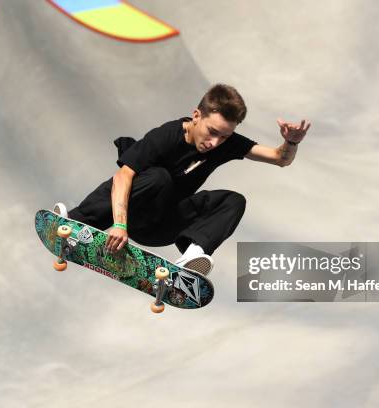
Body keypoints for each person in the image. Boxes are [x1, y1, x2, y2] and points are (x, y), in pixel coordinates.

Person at [54, 84, 311, 275]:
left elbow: (280, 158)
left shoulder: (225, 143)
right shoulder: (166, 135)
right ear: (196, 115)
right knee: (158, 178)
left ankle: (193, 255)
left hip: (164, 226)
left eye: (224, 136)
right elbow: (124, 177)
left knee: (234, 200)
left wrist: (291, 142)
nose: (215, 143)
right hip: (134, 213)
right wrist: (120, 225)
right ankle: (77, 221)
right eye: (212, 132)